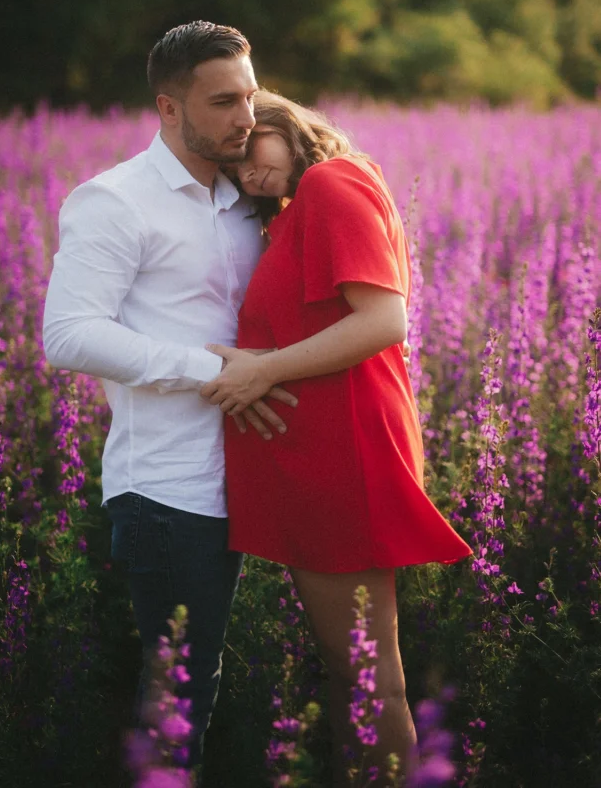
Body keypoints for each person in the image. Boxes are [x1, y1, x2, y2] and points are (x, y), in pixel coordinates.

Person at [42, 23, 298, 767]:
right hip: (167, 488)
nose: (246, 117)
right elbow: (69, 335)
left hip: (252, 478)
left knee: (210, 688)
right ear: (168, 107)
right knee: (180, 695)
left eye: (250, 96)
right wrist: (211, 370)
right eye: (222, 102)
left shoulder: (250, 195)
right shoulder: (114, 201)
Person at [200, 91, 472, 785]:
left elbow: (383, 321)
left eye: (250, 147)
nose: (246, 173)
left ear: (283, 123)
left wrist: (262, 370)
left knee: (367, 675)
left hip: (340, 457)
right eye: (231, 169)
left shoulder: (330, 181)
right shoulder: (305, 202)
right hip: (319, 458)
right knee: (351, 669)